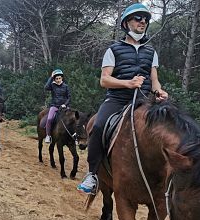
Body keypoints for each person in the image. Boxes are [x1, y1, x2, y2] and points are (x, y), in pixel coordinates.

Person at [77, 3, 168, 195]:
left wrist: (159, 91)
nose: (142, 22)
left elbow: (155, 81)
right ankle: (92, 175)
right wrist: (128, 83)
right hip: (117, 100)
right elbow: (104, 80)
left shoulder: (151, 52)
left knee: (169, 125)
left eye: (145, 19)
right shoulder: (114, 50)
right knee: (99, 126)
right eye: (138, 18)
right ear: (127, 23)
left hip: (144, 101)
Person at [44, 69, 71, 144]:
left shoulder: (66, 86)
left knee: (71, 119)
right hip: (54, 106)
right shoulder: (52, 86)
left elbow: (69, 98)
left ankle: (73, 137)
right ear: (54, 79)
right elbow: (46, 87)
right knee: (49, 119)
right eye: (56, 78)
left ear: (62, 78)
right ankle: (48, 136)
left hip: (64, 107)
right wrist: (51, 77)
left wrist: (65, 104)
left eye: (59, 78)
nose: (58, 80)